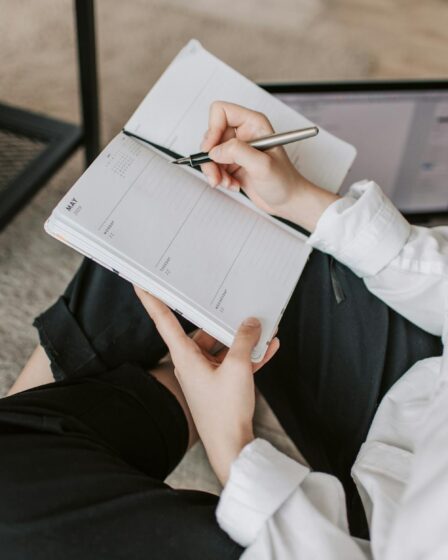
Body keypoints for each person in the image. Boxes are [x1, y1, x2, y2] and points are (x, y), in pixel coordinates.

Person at [1, 101, 446, 559]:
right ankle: (180, 384)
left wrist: (233, 446)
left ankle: (170, 391)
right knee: (202, 206)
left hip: (368, 534)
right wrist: (298, 198)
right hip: (425, 397)